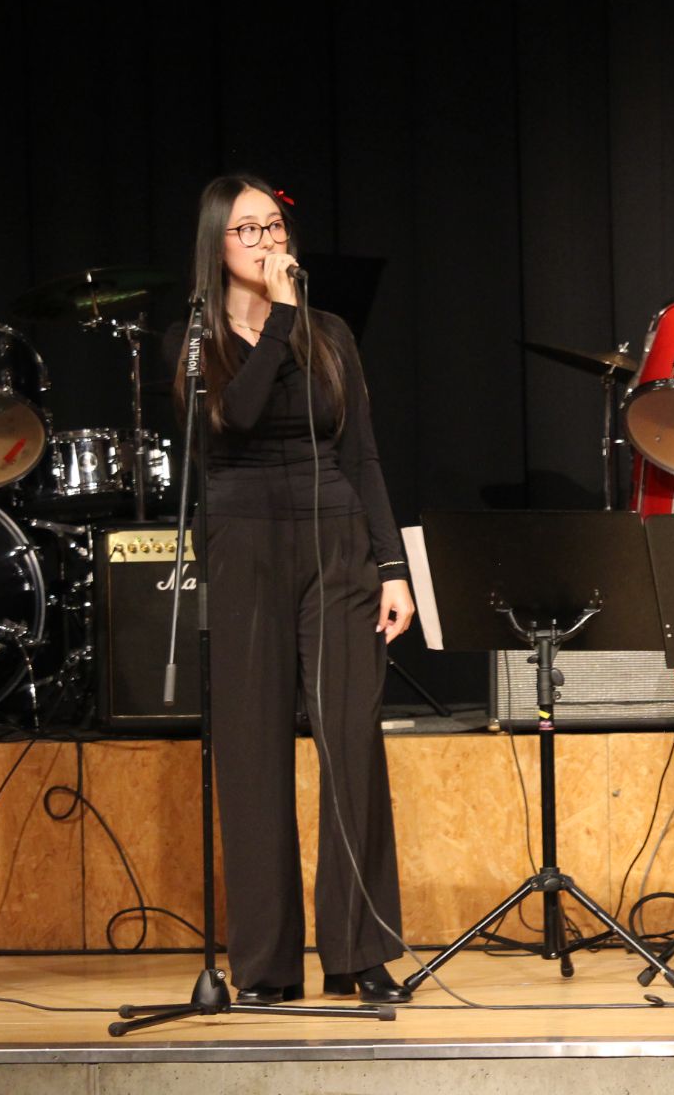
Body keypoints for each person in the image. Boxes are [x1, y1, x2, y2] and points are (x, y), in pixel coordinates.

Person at [182, 174, 416, 1005]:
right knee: (251, 755)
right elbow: (237, 417)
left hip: (336, 541)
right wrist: (279, 320)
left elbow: (362, 454)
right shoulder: (196, 341)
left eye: (274, 226)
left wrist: (393, 567)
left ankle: (359, 952)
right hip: (243, 545)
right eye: (247, 230)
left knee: (350, 741)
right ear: (217, 246)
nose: (266, 241)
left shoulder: (332, 333)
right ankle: (267, 966)